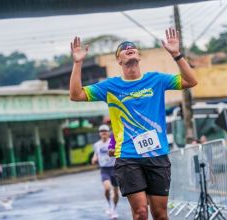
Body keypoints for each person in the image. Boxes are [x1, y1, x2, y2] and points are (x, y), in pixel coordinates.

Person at [69, 27, 197, 220]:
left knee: (161, 214)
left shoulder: (156, 80)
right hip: (128, 156)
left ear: (139, 55)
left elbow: (191, 80)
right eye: (123, 48)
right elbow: (76, 95)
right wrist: (78, 63)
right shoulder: (110, 86)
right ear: (119, 60)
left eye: (133, 47)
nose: (129, 48)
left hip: (157, 155)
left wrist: (176, 55)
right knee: (140, 213)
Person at [91, 124, 119, 219]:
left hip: (114, 168)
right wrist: (94, 159)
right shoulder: (96, 145)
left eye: (105, 131)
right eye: (101, 131)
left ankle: (113, 209)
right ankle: (108, 203)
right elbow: (96, 154)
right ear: (99, 134)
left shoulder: (112, 142)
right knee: (107, 188)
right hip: (104, 169)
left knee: (116, 192)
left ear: (108, 133)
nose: (103, 133)